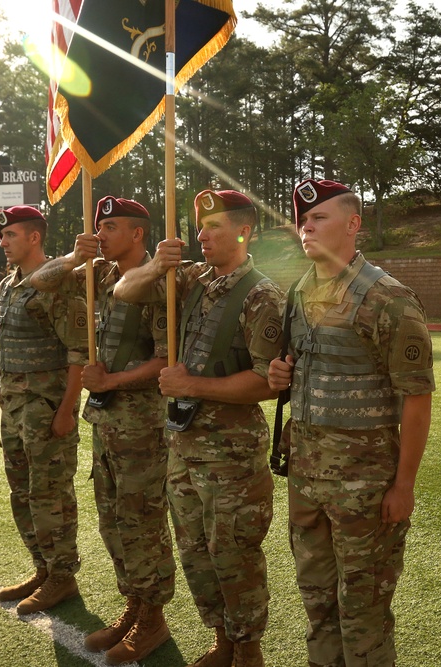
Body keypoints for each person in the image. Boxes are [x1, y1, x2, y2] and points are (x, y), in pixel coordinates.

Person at [267, 179, 435, 667]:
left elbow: (416, 400)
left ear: (354, 223)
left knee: (364, 612)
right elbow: (302, 365)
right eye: (303, 219)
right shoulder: (299, 292)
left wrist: (403, 485)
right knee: (317, 601)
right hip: (307, 479)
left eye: (318, 217)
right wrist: (282, 373)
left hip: (365, 488)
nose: (306, 226)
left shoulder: (388, 299)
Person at [114, 189, 284, 667]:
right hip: (184, 443)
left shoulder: (261, 295)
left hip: (231, 452)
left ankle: (248, 648)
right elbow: (123, 291)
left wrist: (195, 384)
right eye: (200, 227)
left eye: (214, 226)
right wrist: (156, 265)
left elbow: (265, 382)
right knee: (195, 552)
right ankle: (222, 639)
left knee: (233, 552)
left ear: (244, 230)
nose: (202, 235)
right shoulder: (190, 279)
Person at [30, 196, 174, 664]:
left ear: (138, 234)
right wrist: (75, 255)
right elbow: (40, 283)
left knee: (142, 522)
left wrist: (112, 379)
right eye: (99, 226)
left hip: (142, 423)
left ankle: (153, 617)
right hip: (107, 420)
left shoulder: (159, 282)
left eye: (111, 226)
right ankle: (132, 604)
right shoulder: (100, 275)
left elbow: (166, 357)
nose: (102, 233)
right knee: (113, 522)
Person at [0, 205, 89, 616]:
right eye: (2, 235)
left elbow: (79, 352)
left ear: (34, 238)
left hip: (45, 408)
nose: (3, 242)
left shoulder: (58, 282)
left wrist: (67, 410)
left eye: (10, 235)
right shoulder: (9, 284)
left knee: (51, 493)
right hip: (13, 405)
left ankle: (63, 576)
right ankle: (43, 567)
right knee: (22, 490)